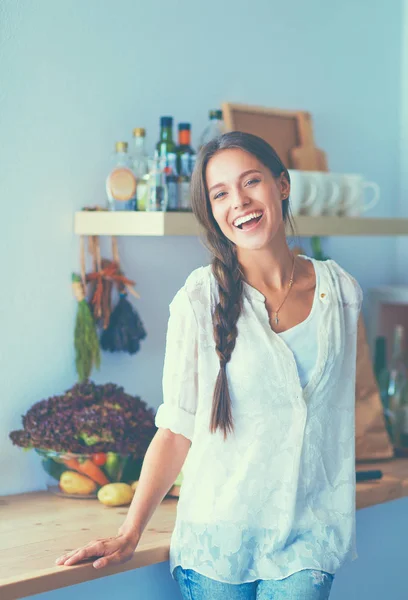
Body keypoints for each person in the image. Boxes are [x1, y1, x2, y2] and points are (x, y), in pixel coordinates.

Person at [56, 132, 363, 599]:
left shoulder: (340, 292)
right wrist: (130, 531)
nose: (239, 202)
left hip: (310, 537)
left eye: (251, 182)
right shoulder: (199, 300)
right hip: (217, 544)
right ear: (212, 211)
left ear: (281, 186)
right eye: (220, 194)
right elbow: (177, 428)